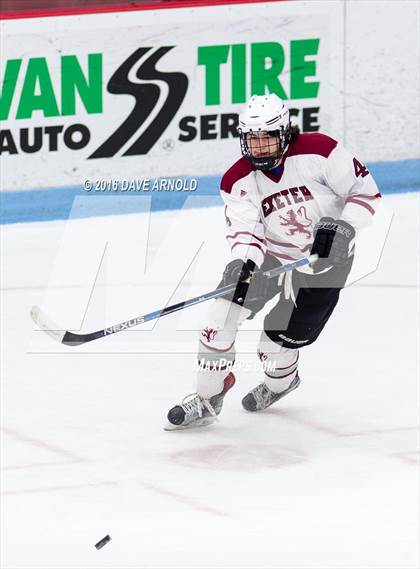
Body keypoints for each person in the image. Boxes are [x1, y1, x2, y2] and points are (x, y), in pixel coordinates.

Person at [165, 94, 381, 430]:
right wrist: (245, 265)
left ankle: (282, 383)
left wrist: (344, 227)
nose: (260, 148)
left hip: (325, 261)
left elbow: (364, 192)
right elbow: (246, 231)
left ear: (285, 133)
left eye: (268, 139)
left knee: (274, 346)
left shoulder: (320, 151)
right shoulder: (237, 180)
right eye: (253, 140)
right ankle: (207, 398)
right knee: (218, 320)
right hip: (272, 255)